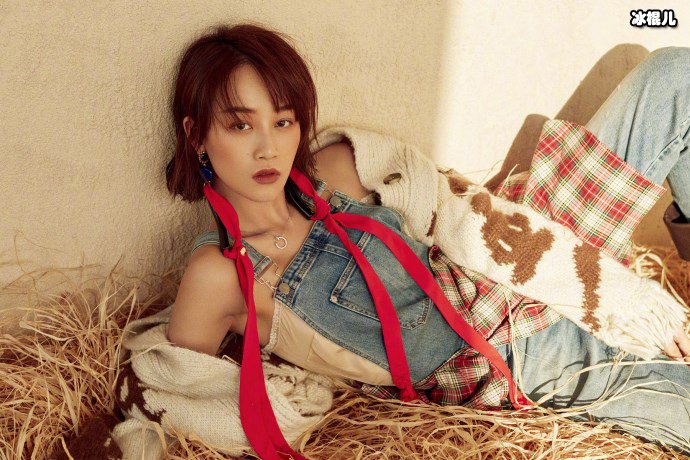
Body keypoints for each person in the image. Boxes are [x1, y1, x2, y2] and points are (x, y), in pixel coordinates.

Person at [164, 23, 690, 454]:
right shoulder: (220, 273)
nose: (268, 149)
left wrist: (609, 289)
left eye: (283, 122)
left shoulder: (337, 167)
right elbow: (176, 389)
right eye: (240, 126)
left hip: (534, 256)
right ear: (195, 134)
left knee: (675, 75)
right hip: (527, 359)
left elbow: (461, 214)